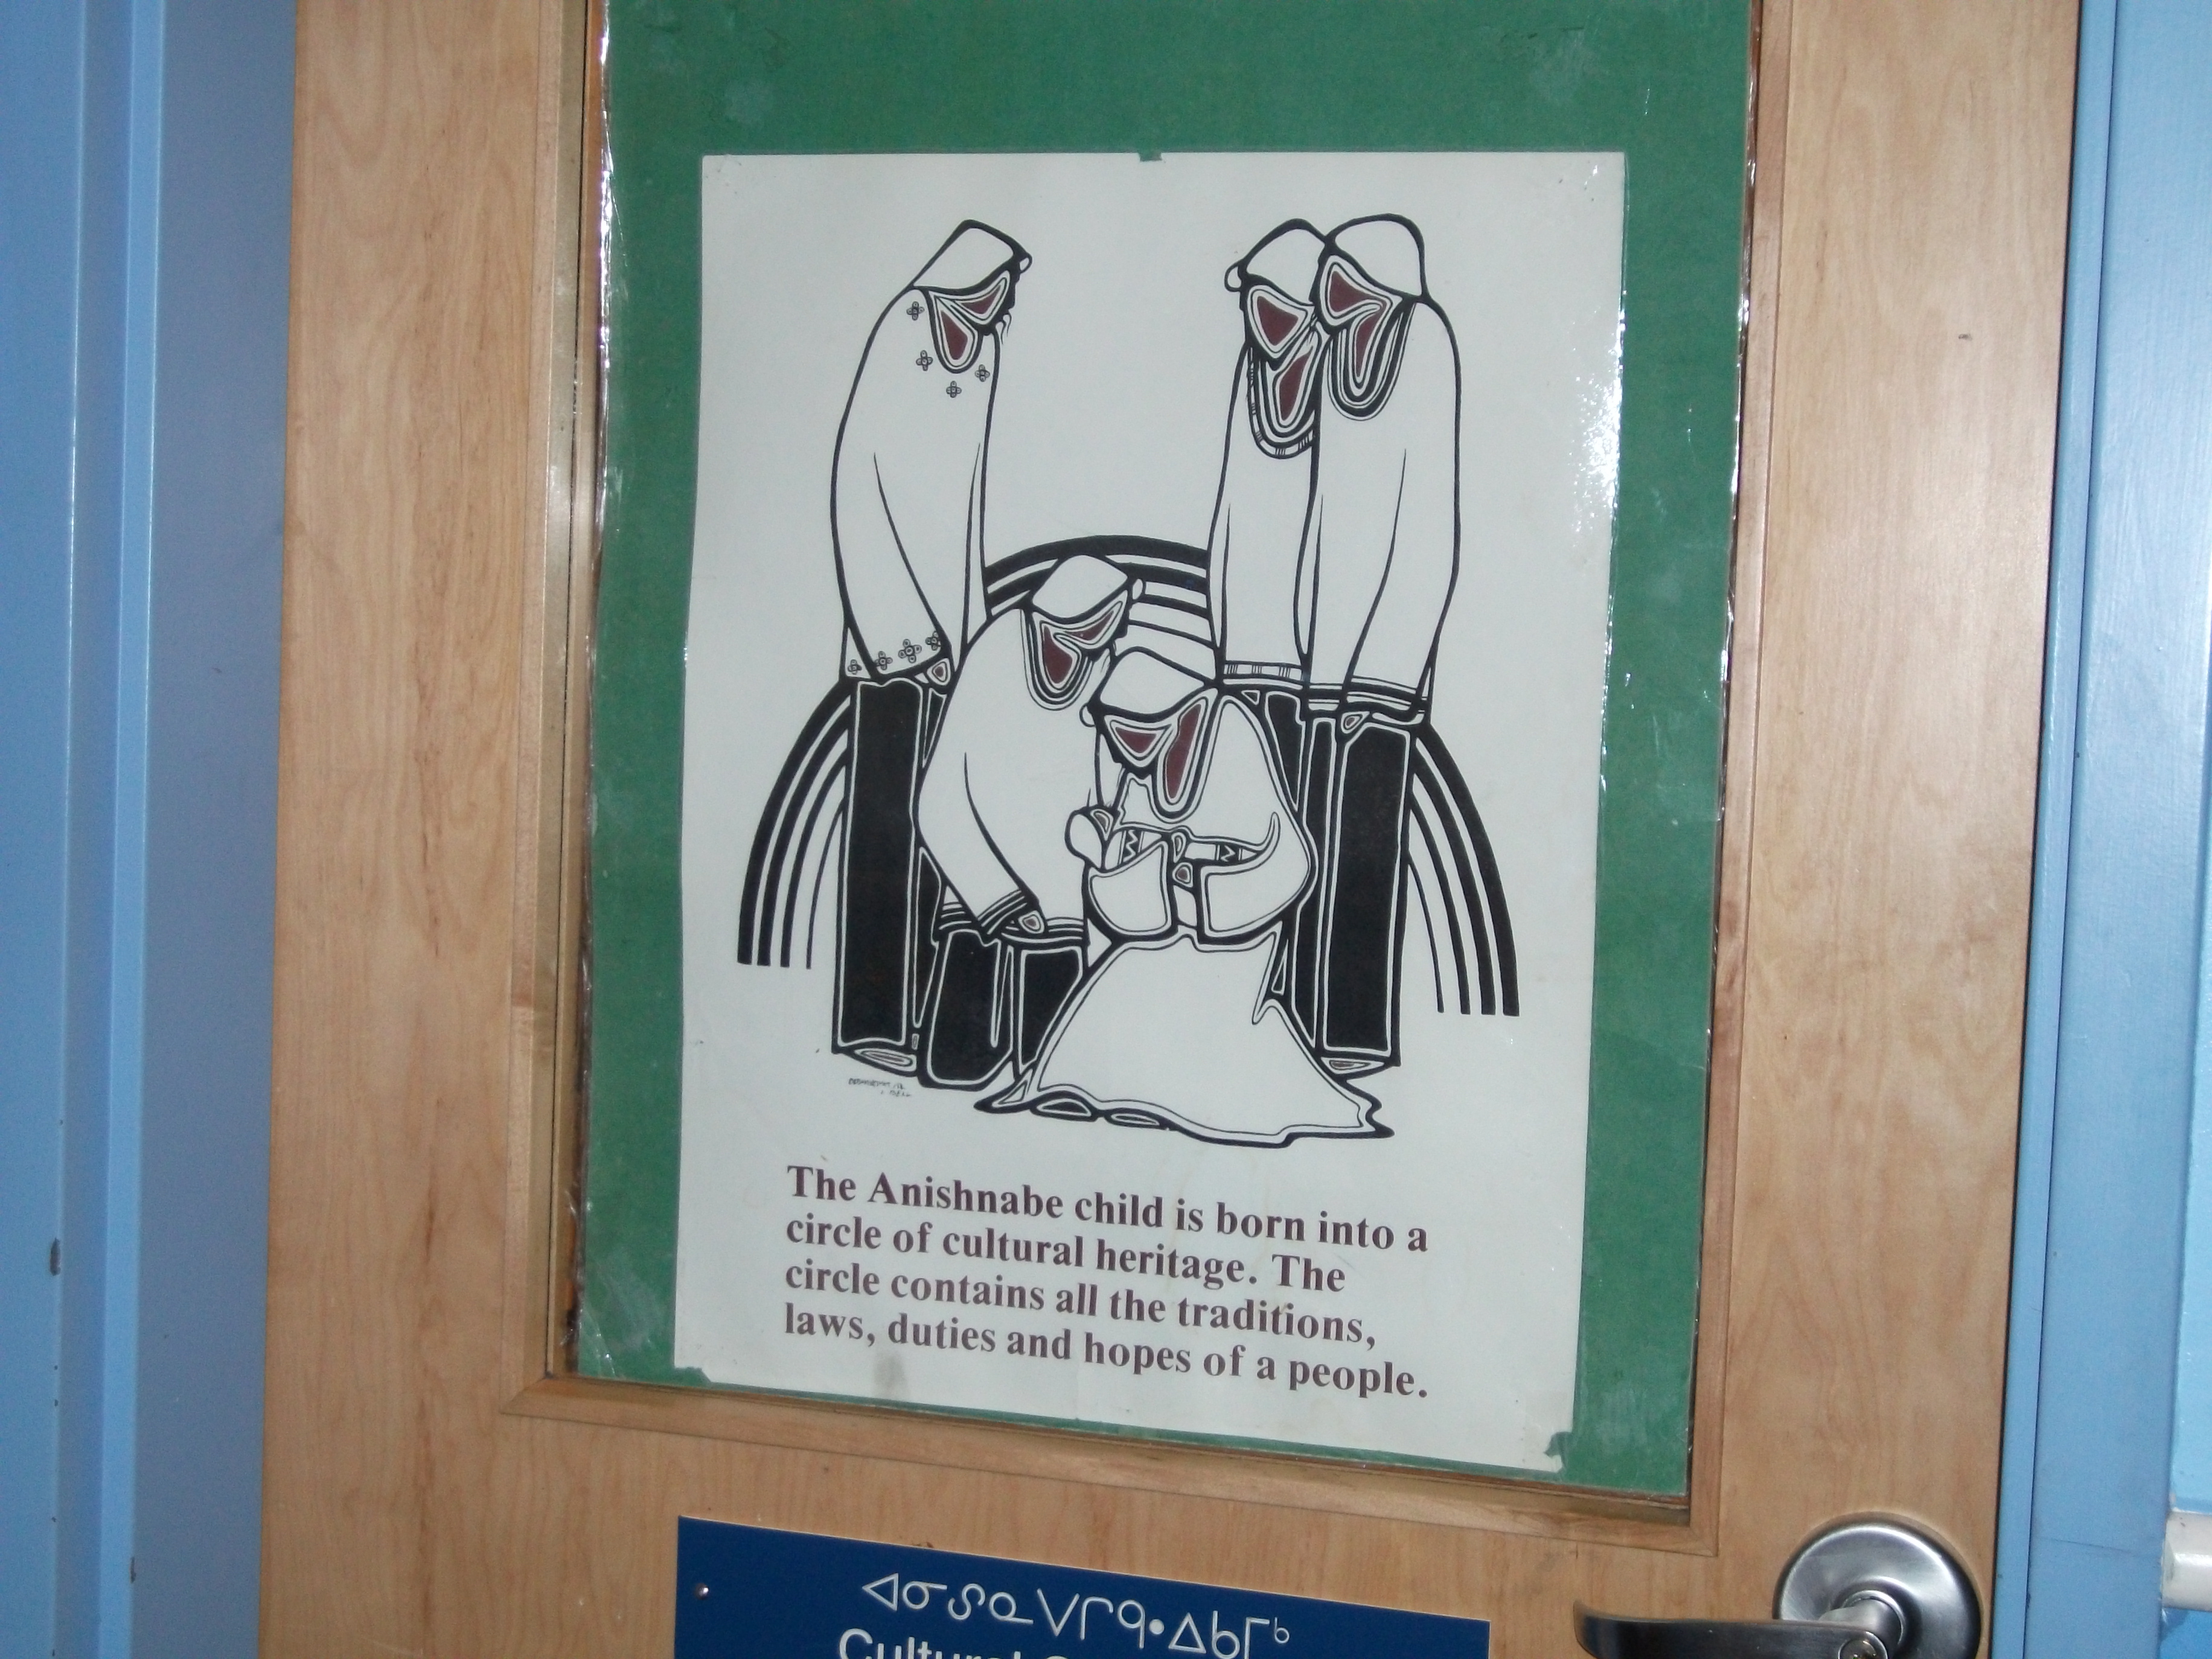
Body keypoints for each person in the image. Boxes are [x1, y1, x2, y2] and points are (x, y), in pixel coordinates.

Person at [985, 635, 1382, 1145]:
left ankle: (1157, 1098)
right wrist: (1114, 857)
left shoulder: (1231, 728)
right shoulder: (1140, 769)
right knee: (1120, 983)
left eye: (1135, 732)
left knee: (1192, 1002)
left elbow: (1285, 855)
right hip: (1165, 923)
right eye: (1117, 733)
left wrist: (1202, 883)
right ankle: (1092, 1089)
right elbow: (1130, 844)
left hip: (1234, 927)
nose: (1127, 747)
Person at [828, 221, 1030, 1072]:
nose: (1003, 304)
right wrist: (901, 634)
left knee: (935, 830)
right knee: (884, 830)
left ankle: (920, 1019)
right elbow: (859, 488)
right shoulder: (904, 332)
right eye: (998, 287)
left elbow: (966, 508)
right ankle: (874, 1022)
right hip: (892, 645)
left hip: (949, 635)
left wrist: (969, 632)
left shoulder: (981, 353)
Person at [1285, 215, 1461, 1076]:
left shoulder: (1423, 341)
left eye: (1346, 274)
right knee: (1309, 845)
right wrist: (1309, 641)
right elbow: (1325, 504)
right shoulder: (1332, 355)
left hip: (1383, 664)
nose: (1332, 290)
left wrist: (1384, 674)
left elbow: (1427, 522)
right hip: (1325, 651)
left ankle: (1351, 1033)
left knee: (1364, 849)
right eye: (1330, 274)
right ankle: (1301, 1020)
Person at [914, 555, 1131, 1087]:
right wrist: (996, 897)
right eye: (1112, 615)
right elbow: (941, 794)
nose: (1118, 629)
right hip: (984, 863)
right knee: (957, 1062)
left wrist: (1105, 823)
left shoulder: (1102, 662)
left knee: (1049, 1067)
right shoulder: (1000, 646)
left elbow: (1100, 759)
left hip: (1059, 871)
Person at [1206, 220, 1326, 791]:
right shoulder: (1247, 369)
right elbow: (1232, 494)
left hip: (1306, 640)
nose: (1264, 321)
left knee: (1297, 774)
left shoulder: (1333, 374)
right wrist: (1219, 603)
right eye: (1256, 304)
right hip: (1243, 632)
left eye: (1276, 306)